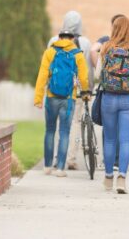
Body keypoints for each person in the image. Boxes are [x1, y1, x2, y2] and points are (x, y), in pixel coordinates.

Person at [95, 15, 129, 194]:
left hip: (109, 98)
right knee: (125, 140)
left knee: (109, 139)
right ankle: (122, 179)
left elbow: (97, 75)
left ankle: (108, 176)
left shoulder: (105, 48)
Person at [34, 26, 90, 177]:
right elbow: (84, 77)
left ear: (59, 38)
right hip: (68, 98)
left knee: (50, 130)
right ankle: (60, 169)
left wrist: (38, 98)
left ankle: (47, 167)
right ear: (72, 39)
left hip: (51, 97)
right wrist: (85, 92)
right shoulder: (78, 54)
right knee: (65, 132)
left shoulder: (50, 52)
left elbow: (42, 75)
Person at [46, 11, 94, 171]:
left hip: (54, 92)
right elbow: (86, 70)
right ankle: (71, 158)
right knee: (74, 124)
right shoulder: (85, 43)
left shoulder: (54, 40)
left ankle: (55, 159)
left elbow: (48, 67)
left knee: (55, 126)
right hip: (77, 92)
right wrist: (88, 89)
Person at [90, 14, 124, 170]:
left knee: (108, 127)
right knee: (121, 128)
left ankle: (107, 161)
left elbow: (92, 50)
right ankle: (118, 162)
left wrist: (101, 71)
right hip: (125, 92)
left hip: (107, 91)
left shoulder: (105, 41)